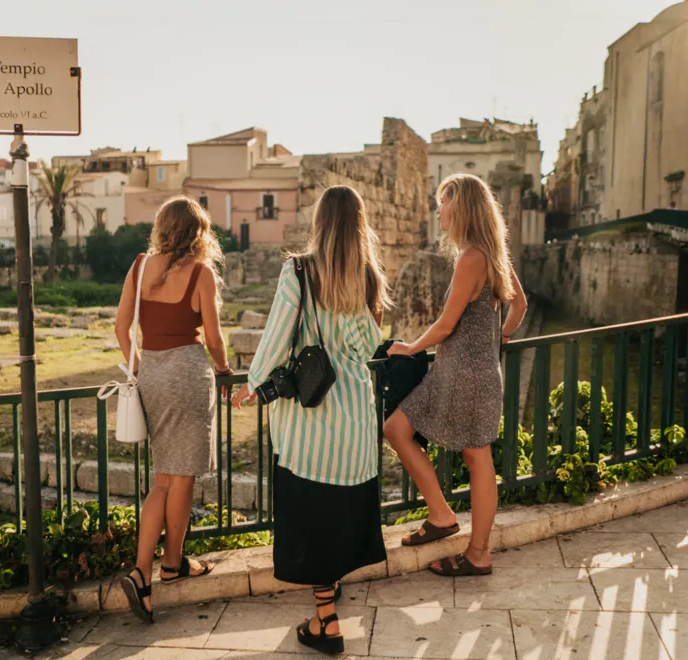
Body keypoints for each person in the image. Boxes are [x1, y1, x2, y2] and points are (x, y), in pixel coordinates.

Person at [232, 185, 390, 656]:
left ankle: (326, 622)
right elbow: (368, 348)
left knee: (313, 519)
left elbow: (277, 336)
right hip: (357, 421)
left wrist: (255, 385)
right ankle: (332, 593)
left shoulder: (298, 271)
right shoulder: (366, 278)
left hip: (312, 426)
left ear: (320, 223)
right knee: (340, 514)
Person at [385, 173, 527, 577]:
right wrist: (497, 338)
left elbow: (446, 325)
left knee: (476, 456)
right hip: (468, 371)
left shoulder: (472, 258)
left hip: (464, 373)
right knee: (397, 428)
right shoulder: (490, 252)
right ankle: (443, 516)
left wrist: (411, 347)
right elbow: (520, 307)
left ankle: (478, 553)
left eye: (442, 201)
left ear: (460, 205)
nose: (437, 209)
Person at [116, 196, 233, 624]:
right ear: (198, 233)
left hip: (152, 375)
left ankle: (144, 570)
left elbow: (120, 327)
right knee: (180, 477)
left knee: (162, 477)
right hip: (187, 372)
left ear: (163, 228)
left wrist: (146, 367)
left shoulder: (139, 266)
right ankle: (167, 564)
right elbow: (216, 339)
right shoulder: (201, 274)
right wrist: (223, 369)